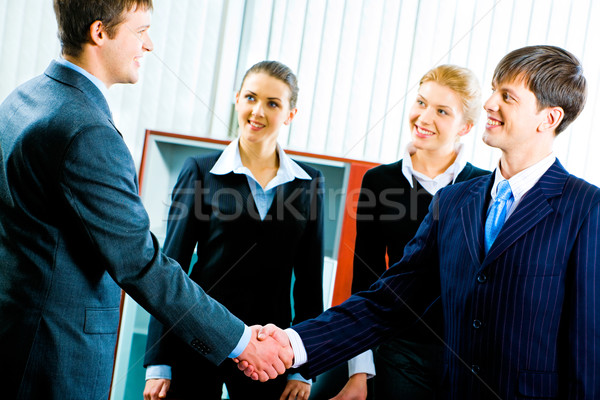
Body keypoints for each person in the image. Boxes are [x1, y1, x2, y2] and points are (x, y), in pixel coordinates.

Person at [245, 45, 600, 399]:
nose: (490, 103)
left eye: (507, 96)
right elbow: (388, 299)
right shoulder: (455, 201)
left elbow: (587, 345)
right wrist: (294, 343)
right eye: (493, 90)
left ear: (549, 118)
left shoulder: (586, 208)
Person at [0, 2, 290, 399]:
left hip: (18, 335)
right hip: (53, 355)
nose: (149, 44)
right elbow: (141, 262)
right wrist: (240, 340)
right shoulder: (86, 130)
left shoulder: (26, 97)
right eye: (141, 31)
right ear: (100, 33)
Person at [142, 60, 324, 400]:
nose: (258, 111)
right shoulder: (200, 170)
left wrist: (303, 366)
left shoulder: (309, 183)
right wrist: (158, 362)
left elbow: (310, 283)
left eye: (273, 103)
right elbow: (170, 269)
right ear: (237, 98)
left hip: (269, 352)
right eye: (251, 97)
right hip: (197, 336)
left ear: (290, 114)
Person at [329, 65, 489, 400]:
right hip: (400, 349)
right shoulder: (379, 182)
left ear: (466, 127)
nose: (423, 117)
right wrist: (359, 372)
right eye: (420, 102)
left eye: (442, 111)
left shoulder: (486, 187)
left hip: (466, 354)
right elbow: (366, 280)